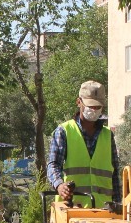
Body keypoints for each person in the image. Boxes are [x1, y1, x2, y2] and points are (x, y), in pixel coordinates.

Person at [47, 80, 121, 209]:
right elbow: (53, 164)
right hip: (72, 210)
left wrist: (119, 204)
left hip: (104, 210)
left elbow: (114, 175)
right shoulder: (64, 131)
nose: (94, 110)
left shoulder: (108, 135)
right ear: (79, 102)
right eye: (90, 106)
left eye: (98, 107)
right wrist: (59, 185)